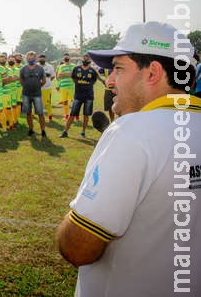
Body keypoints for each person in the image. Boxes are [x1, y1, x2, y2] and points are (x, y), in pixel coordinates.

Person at [57, 21, 200, 296]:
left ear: (153, 73)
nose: (109, 81)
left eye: (119, 69)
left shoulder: (133, 131)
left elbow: (78, 248)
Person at [59, 54, 105, 138]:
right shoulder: (76, 69)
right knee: (72, 114)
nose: (85, 61)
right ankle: (65, 131)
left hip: (89, 96)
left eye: (87, 60)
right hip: (78, 96)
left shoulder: (92, 70)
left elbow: (94, 80)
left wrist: (88, 85)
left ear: (90, 61)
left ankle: (83, 132)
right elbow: (73, 79)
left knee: (86, 115)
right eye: (84, 59)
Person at [19, 51, 46, 137]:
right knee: (28, 113)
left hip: (37, 94)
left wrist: (37, 86)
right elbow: (21, 81)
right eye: (29, 58)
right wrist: (27, 87)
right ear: (26, 59)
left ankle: (43, 131)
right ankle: (31, 129)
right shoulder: (23, 69)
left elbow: (44, 81)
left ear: (35, 58)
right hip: (26, 94)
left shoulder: (40, 69)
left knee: (40, 113)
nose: (30, 59)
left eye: (32, 58)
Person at [56, 53, 75, 120]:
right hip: (63, 86)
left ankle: (75, 115)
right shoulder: (60, 66)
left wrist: (64, 74)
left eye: (67, 57)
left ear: (69, 58)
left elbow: (73, 75)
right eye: (65, 58)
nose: (66, 58)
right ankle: (67, 115)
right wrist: (68, 74)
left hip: (72, 86)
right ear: (63, 59)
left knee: (74, 101)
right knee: (65, 101)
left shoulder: (73, 66)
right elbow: (59, 76)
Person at [38, 54, 56, 121]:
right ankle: (33, 115)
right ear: (38, 59)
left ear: (45, 59)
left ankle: (50, 116)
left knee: (48, 103)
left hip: (47, 88)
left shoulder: (50, 67)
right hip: (38, 88)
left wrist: (47, 82)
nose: (42, 60)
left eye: (43, 59)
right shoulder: (36, 67)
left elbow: (53, 76)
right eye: (40, 58)